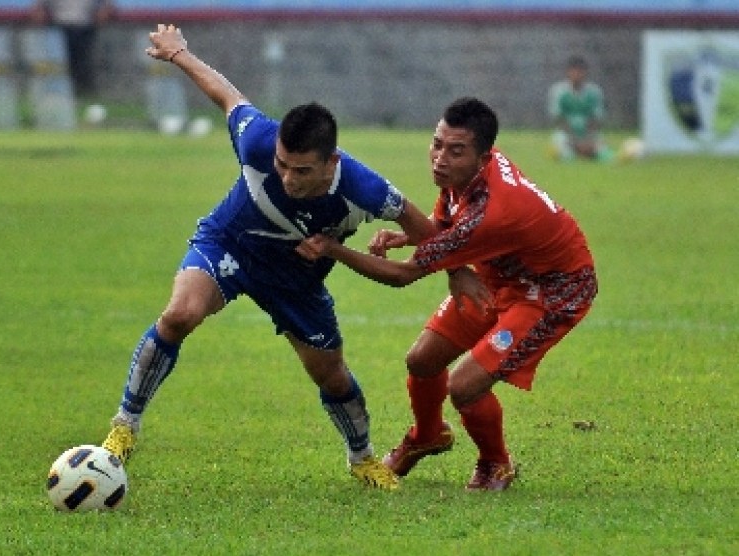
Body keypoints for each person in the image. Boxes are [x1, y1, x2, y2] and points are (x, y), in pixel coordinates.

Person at [100, 24, 439, 491]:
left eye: (301, 171)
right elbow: (227, 95)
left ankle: (361, 458)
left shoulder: (367, 190)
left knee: (330, 374)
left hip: (296, 278)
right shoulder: (259, 139)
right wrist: (179, 53)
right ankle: (124, 427)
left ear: (331, 164)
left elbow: (431, 236)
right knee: (180, 314)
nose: (287, 177)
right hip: (231, 243)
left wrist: (455, 271)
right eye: (281, 165)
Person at [296, 97, 598, 491]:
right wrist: (409, 237)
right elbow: (445, 223)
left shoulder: (491, 212)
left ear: (482, 156)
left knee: (464, 386)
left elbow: (403, 276)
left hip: (552, 293)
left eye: (456, 151)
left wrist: (334, 248)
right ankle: (428, 434)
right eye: (437, 144)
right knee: (422, 360)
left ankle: (496, 463)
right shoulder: (466, 177)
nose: (440, 158)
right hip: (497, 276)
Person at [31, 0, 114, 97]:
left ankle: (83, 93)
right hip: (59, 24)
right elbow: (39, 7)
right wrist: (39, 13)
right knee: (58, 62)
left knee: (82, 62)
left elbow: (107, 5)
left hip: (84, 25)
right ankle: (56, 93)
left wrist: (104, 11)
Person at [547, 55, 612, 162]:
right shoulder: (559, 91)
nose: (577, 75)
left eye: (580, 71)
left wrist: (586, 139)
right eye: (574, 71)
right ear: (568, 72)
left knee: (604, 153)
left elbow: (596, 118)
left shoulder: (594, 92)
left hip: (588, 134)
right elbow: (559, 119)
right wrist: (575, 141)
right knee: (564, 153)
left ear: (586, 73)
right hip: (567, 135)